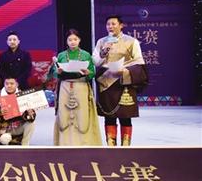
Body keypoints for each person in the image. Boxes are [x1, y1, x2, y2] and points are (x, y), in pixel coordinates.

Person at [92, 15, 147, 146]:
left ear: (121, 25)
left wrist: (124, 71)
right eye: (108, 24)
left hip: (124, 82)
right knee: (109, 116)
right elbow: (96, 62)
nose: (110, 27)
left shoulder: (131, 41)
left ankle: (125, 147)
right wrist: (104, 51)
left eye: (113, 24)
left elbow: (139, 61)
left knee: (125, 116)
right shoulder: (101, 42)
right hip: (106, 82)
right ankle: (111, 146)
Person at [51, 29, 101, 146]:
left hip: (81, 86)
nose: (72, 42)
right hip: (65, 87)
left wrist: (88, 72)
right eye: (70, 40)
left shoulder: (86, 55)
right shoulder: (61, 55)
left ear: (79, 40)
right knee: (64, 114)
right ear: (66, 41)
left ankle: (84, 142)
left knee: (82, 113)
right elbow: (54, 73)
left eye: (75, 39)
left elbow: (93, 73)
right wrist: (58, 71)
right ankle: (64, 143)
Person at [0, 77, 36, 146]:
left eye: (12, 83)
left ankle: (25, 146)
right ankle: (7, 143)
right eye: (7, 84)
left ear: (17, 84)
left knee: (31, 124)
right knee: (5, 139)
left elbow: (31, 118)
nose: (9, 86)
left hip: (18, 126)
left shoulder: (23, 95)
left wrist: (30, 114)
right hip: (4, 128)